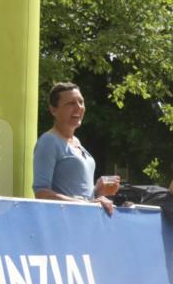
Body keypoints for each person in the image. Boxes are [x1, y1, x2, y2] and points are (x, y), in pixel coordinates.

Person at [32, 82, 117, 216]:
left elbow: (80, 196)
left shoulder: (77, 142)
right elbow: (41, 193)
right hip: (64, 224)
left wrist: (97, 191)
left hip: (84, 222)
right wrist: (85, 205)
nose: (79, 107)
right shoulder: (48, 141)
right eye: (71, 103)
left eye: (81, 102)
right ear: (53, 110)